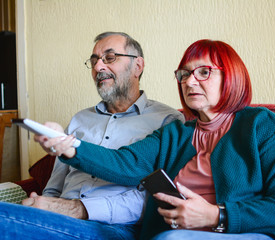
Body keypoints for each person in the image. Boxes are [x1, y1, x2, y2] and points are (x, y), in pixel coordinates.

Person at [36, 39, 275, 240]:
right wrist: (69, 145)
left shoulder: (260, 124)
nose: (190, 82)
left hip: (253, 233)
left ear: (231, 77)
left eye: (203, 72)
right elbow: (125, 162)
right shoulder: (176, 133)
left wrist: (217, 215)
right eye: (184, 74)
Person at [0, 32, 184, 240]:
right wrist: (39, 207)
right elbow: (54, 187)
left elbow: (155, 200)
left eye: (110, 57)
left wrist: (75, 209)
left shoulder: (167, 120)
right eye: (94, 60)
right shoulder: (80, 119)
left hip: (115, 228)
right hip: (59, 221)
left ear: (137, 66)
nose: (98, 67)